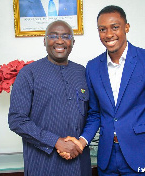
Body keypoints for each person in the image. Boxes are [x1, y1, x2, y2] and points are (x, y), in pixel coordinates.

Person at [61, 5, 145, 176]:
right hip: (108, 158)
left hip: (144, 156)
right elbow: (95, 114)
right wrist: (81, 142)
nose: (109, 34)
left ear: (126, 27)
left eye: (115, 27)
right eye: (102, 29)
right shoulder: (92, 67)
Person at [8, 20, 91, 176]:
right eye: (53, 36)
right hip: (43, 164)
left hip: (80, 163)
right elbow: (16, 119)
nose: (60, 41)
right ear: (44, 41)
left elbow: (93, 114)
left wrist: (80, 142)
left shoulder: (82, 72)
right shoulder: (28, 74)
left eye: (66, 36)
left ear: (73, 42)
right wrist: (55, 142)